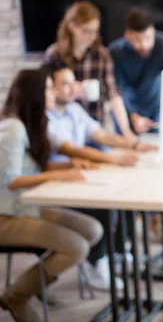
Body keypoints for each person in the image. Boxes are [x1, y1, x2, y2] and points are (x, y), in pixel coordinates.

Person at [42, 58, 156, 291]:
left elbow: (101, 136)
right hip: (55, 187)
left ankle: (117, 252)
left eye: (73, 82)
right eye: (65, 84)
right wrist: (113, 158)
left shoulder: (74, 110)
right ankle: (97, 263)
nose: (73, 88)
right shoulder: (44, 118)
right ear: (50, 87)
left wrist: (131, 144)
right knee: (103, 207)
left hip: (78, 179)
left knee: (126, 195)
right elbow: (72, 149)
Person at [0, 70, 103, 322]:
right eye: (47, 89)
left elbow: (35, 168)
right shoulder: (12, 127)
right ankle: (16, 296)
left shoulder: (31, 123)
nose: (52, 93)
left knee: (92, 229)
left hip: (25, 209)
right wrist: (58, 176)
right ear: (34, 95)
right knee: (76, 248)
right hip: (6, 215)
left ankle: (31, 286)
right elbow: (10, 180)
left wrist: (69, 165)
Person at [45, 0, 137, 144]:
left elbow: (113, 93)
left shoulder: (101, 55)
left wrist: (126, 131)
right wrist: (70, 92)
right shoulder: (54, 54)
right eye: (86, 31)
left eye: (95, 31)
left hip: (95, 128)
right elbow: (46, 94)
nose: (92, 37)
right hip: (64, 130)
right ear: (72, 27)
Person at [108, 7, 163, 134]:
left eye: (148, 38)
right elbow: (118, 90)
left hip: (157, 110)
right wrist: (133, 117)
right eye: (138, 40)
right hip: (126, 112)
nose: (144, 45)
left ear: (153, 31)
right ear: (127, 35)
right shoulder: (115, 52)